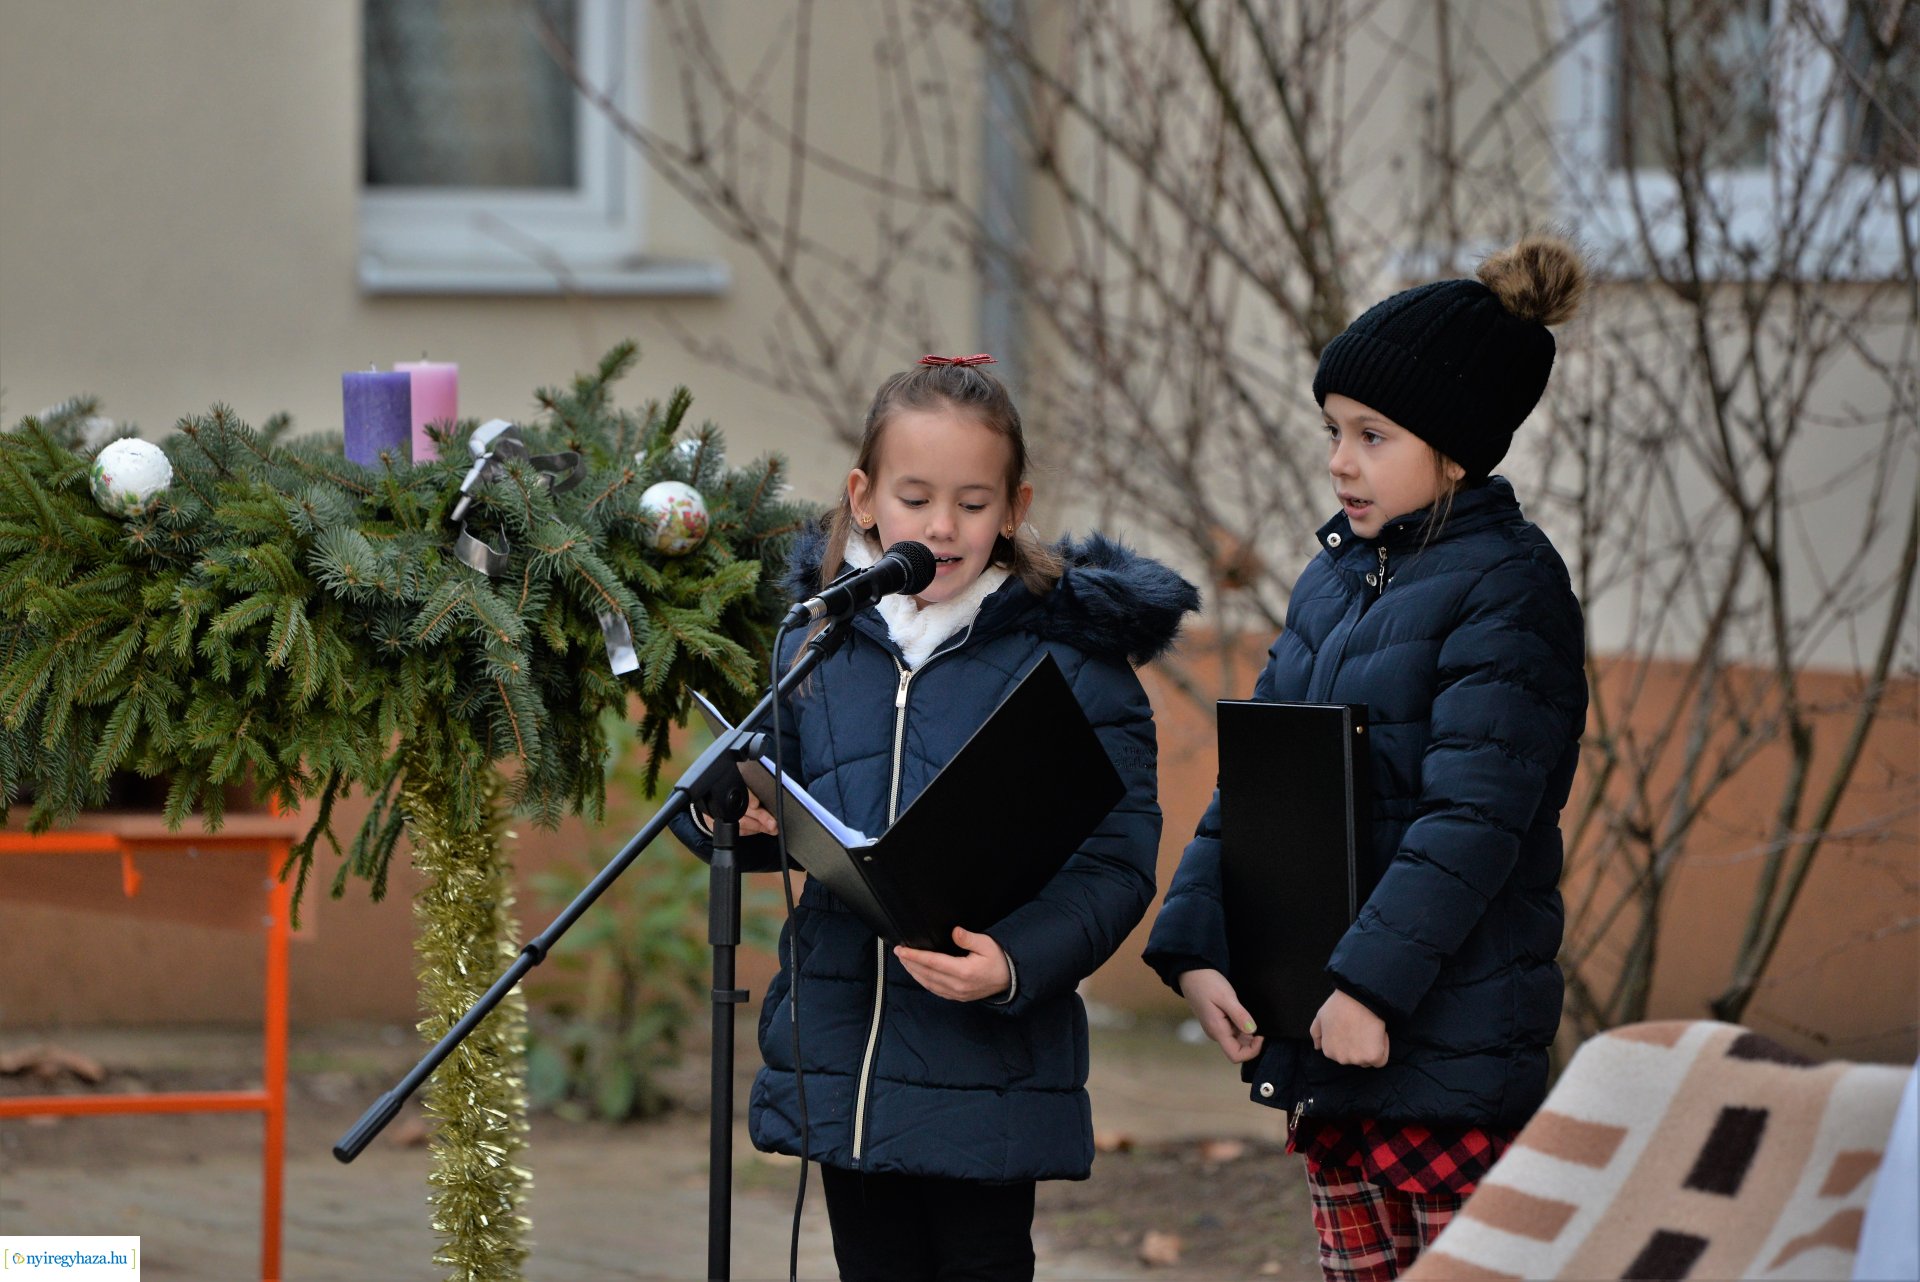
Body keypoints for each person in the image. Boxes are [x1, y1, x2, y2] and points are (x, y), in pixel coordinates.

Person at [673, 354, 1198, 1282]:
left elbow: (1116, 864)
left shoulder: (1076, 668)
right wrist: (727, 815)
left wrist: (1015, 961)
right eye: (915, 499)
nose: (942, 527)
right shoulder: (819, 640)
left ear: (1015, 508)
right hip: (845, 1056)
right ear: (864, 499)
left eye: (972, 502)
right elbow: (762, 787)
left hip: (986, 1067)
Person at [1144, 235, 1592, 1282]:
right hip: (1328, 1043)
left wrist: (1371, 990)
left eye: (1372, 435)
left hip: (1442, 1052)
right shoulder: (1332, 583)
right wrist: (1200, 945)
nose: (1340, 460)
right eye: (1334, 431)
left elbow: (1472, 823)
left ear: (1457, 449)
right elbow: (1261, 782)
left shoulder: (1510, 589)